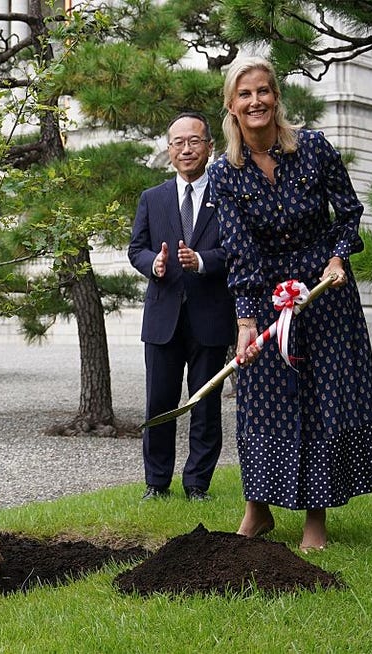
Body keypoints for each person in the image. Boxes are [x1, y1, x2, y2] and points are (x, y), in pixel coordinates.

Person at [209, 56, 372, 552]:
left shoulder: (311, 147)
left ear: (276, 97)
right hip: (268, 299)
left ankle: (316, 517)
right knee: (260, 403)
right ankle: (258, 510)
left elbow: (348, 213)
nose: (256, 101)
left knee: (321, 400)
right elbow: (239, 250)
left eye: (264, 91)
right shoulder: (224, 174)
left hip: (325, 296)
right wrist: (246, 321)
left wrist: (337, 258)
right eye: (245, 94)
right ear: (231, 105)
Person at [128, 112, 236, 502]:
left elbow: (238, 251)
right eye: (178, 142)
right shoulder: (152, 198)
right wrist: (152, 265)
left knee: (204, 405)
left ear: (210, 147)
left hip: (210, 315)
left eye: (194, 141)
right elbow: (136, 248)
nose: (186, 148)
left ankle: (197, 485)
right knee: (159, 402)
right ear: (169, 150)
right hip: (163, 317)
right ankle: (156, 483)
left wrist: (203, 261)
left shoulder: (227, 195)